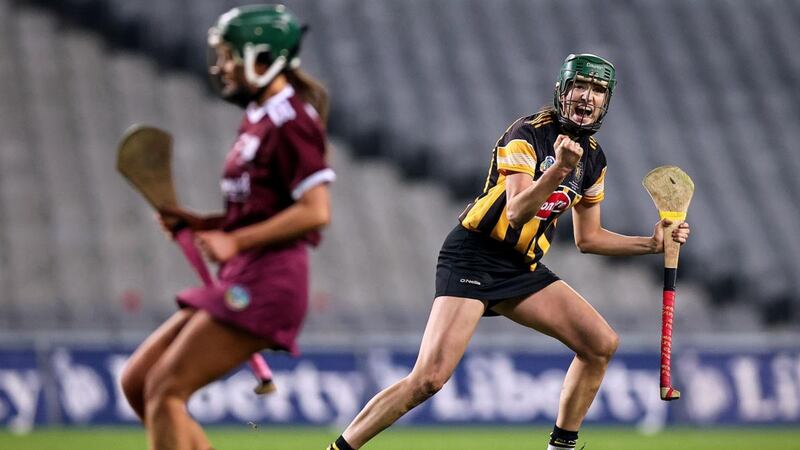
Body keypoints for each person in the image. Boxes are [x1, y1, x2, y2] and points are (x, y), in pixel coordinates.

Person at [326, 54, 690, 450]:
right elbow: (517, 212)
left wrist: (651, 244)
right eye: (579, 87)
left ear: (607, 101)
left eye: (598, 90)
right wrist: (558, 171)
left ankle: (561, 446)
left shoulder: (594, 159)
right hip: (475, 255)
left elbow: (589, 238)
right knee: (428, 378)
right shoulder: (527, 134)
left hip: (521, 267)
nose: (587, 97)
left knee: (600, 344)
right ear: (561, 91)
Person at [119, 4, 334, 450]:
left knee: (165, 390)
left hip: (270, 283)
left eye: (229, 56)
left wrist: (233, 240)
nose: (221, 67)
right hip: (244, 275)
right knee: (138, 382)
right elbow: (256, 208)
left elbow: (316, 211)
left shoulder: (291, 118)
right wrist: (201, 223)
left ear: (262, 55)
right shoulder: (257, 118)